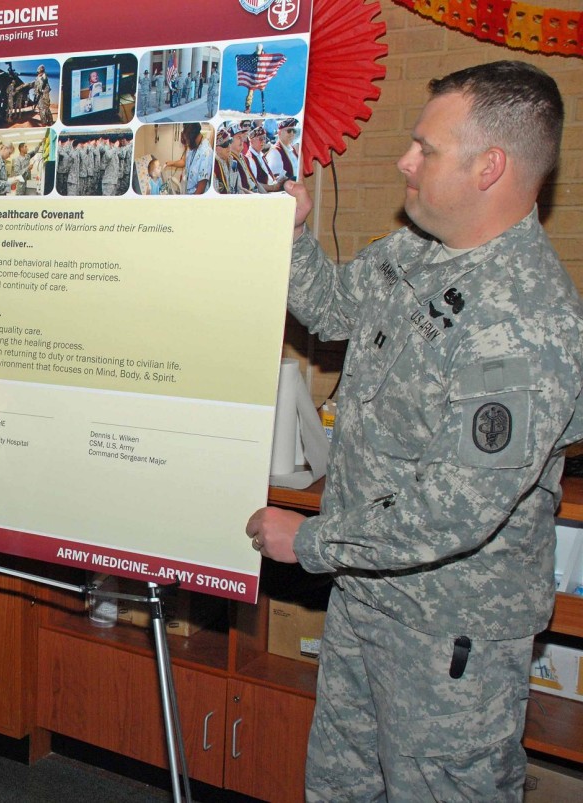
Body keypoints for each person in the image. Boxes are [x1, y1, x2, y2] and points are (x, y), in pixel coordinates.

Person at [245, 61, 583, 801]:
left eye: (425, 149)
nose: (406, 159)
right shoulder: (418, 251)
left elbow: (452, 509)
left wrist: (307, 543)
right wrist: (298, 234)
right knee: (340, 787)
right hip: (368, 595)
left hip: (447, 638)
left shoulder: (525, 321)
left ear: (489, 166)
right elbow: (335, 310)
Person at [266, 117, 301, 183]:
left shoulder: (291, 148)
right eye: (289, 131)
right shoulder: (275, 151)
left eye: (294, 131)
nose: (292, 134)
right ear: (279, 133)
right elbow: (277, 179)